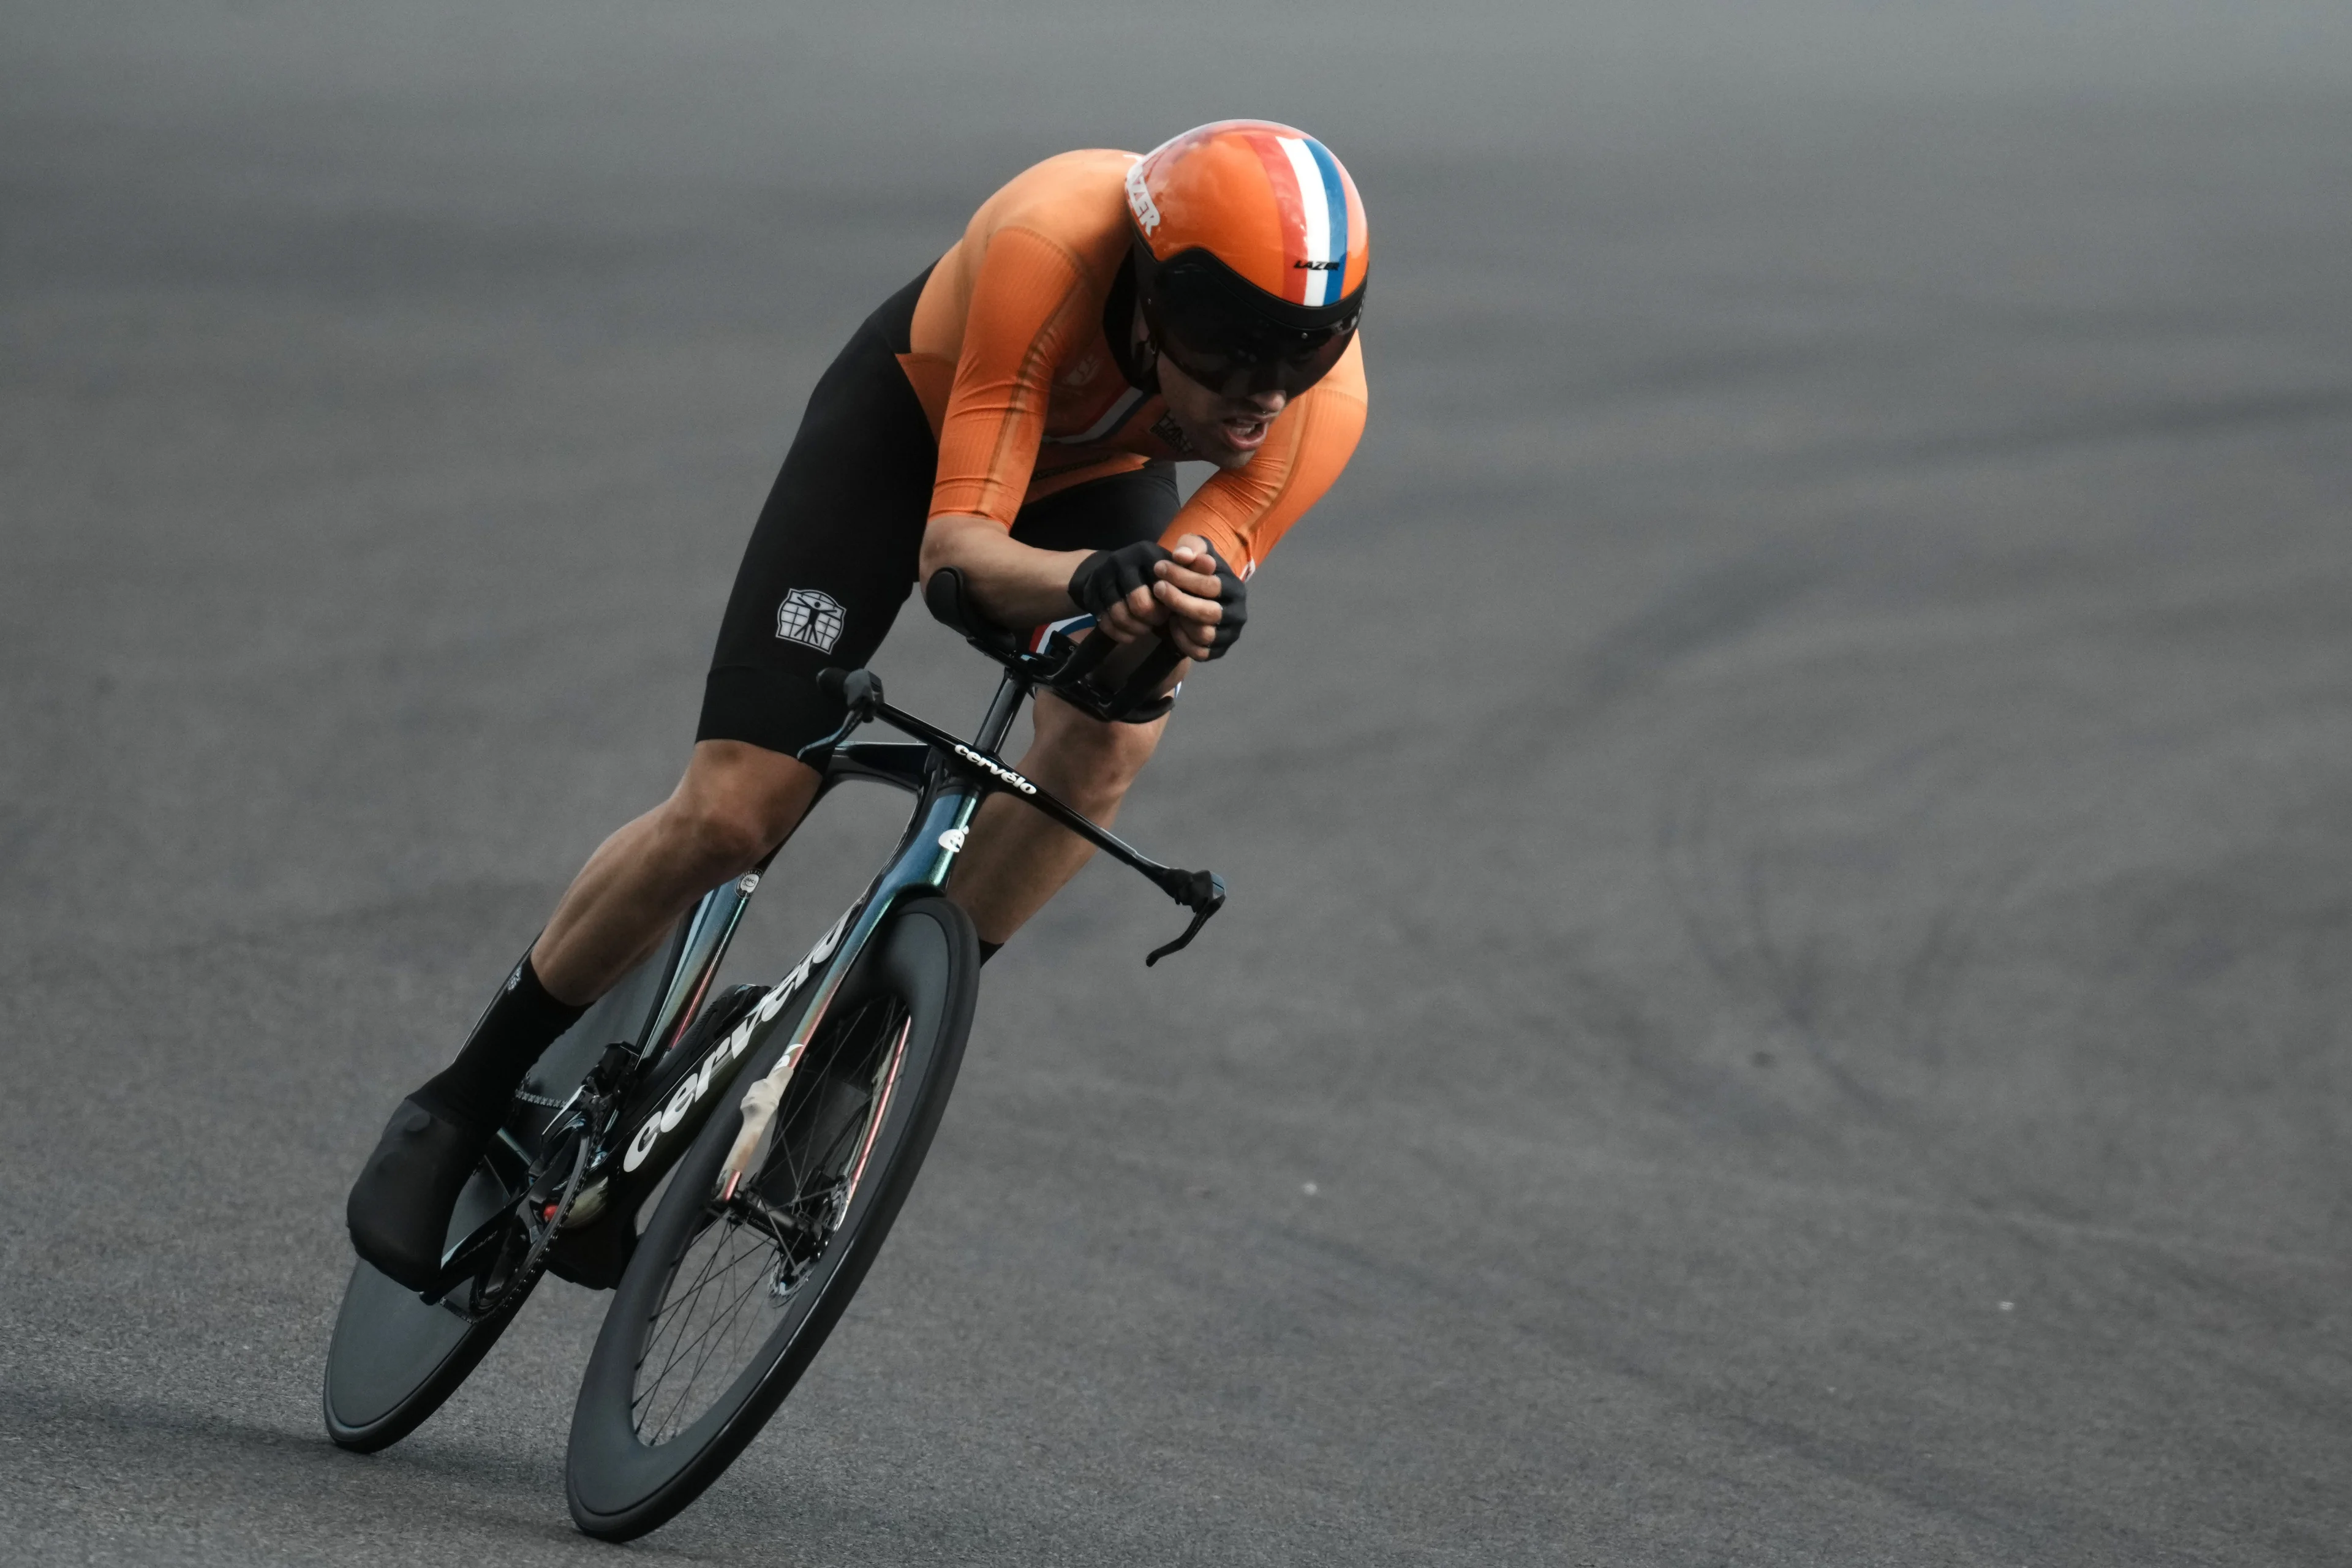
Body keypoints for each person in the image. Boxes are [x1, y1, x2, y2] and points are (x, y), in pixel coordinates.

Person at [346, 119, 1372, 1291]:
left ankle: (849, 1052)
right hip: (916, 430)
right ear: (1145, 289)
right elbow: (958, 556)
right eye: (1228, 351)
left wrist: (1181, 623)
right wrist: (1092, 581)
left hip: (1089, 482)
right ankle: (460, 1100)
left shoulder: (1317, 407)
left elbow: (1172, 610)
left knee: (1108, 743)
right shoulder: (1054, 237)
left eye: (1296, 353)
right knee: (738, 808)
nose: (1258, 394)